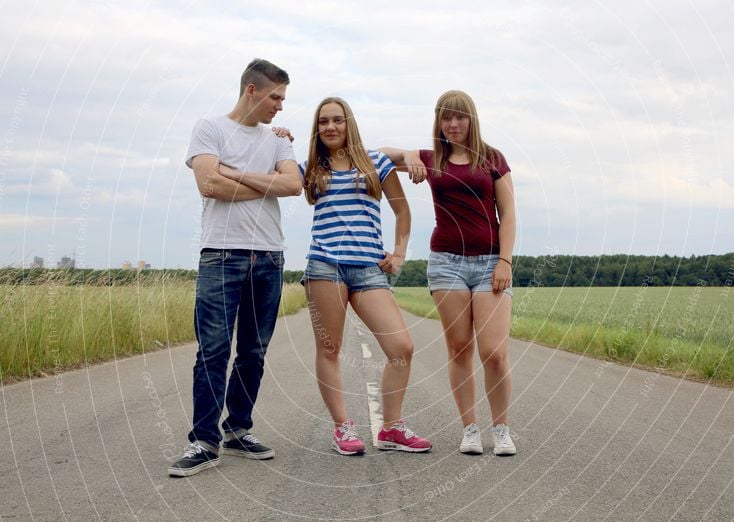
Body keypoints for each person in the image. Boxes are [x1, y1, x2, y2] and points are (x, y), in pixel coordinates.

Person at [168, 59, 302, 477]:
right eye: (275, 96)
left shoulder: (279, 140)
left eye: (283, 98)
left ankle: (238, 429)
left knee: (253, 351)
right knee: (214, 350)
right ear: (251, 90)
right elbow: (210, 185)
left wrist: (234, 174)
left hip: (268, 255)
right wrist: (262, 182)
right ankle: (204, 442)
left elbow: (294, 185)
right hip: (221, 255)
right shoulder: (209, 128)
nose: (280, 105)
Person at [381, 90, 517, 456]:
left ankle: (501, 429)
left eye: (459, 117)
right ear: (438, 122)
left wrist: (505, 261)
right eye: (445, 118)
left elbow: (509, 214)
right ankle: (470, 429)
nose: (453, 124)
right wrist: (411, 156)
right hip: (446, 264)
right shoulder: (431, 159)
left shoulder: (493, 159)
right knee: (459, 348)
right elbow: (375, 156)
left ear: (471, 119)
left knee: (494, 353)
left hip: (490, 262)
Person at [301, 97, 431, 455]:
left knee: (401, 347)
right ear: (317, 128)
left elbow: (402, 212)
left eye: (337, 120)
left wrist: (400, 252)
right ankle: (343, 428)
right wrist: (279, 135)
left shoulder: (376, 162)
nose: (330, 127)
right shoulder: (312, 166)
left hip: (368, 268)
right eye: (323, 121)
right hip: (325, 265)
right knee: (330, 349)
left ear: (349, 123)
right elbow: (277, 174)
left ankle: (391, 429)